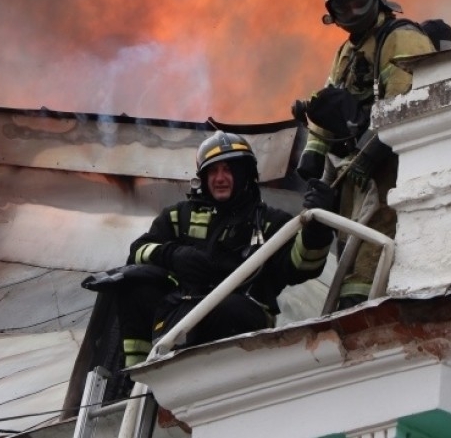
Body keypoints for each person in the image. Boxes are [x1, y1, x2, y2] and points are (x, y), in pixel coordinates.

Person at [111, 130, 337, 370]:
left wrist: (316, 230)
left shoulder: (272, 223)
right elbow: (138, 251)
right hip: (180, 312)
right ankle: (136, 377)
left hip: (240, 316)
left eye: (228, 170)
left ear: (245, 174)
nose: (219, 178)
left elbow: (301, 267)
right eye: (213, 170)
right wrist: (173, 255)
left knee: (225, 310)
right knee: (131, 285)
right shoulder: (178, 216)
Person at [294, 0, 435, 309]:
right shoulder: (345, 52)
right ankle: (348, 308)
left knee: (375, 237)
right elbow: (329, 101)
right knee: (349, 242)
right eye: (343, 7)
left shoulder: (401, 36)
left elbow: (406, 103)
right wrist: (313, 148)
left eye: (358, 1)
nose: (353, 11)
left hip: (390, 165)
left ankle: (359, 310)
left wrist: (368, 152)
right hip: (353, 169)